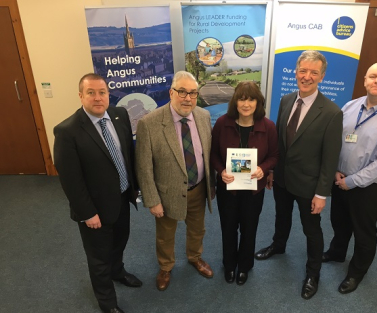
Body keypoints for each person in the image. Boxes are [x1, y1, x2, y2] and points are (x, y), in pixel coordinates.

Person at [53, 73, 141, 313]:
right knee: (98, 258)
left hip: (122, 198)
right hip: (94, 210)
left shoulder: (119, 115)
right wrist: (87, 213)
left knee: (120, 241)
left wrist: (133, 190)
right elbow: (70, 180)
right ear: (81, 96)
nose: (97, 97)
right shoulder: (67, 131)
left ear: (108, 94)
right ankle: (108, 303)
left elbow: (127, 154)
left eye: (102, 92)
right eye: (90, 92)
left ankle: (118, 271)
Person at [254, 50, 343, 299]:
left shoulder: (332, 113)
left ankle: (313, 273)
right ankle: (278, 246)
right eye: (303, 70)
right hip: (282, 178)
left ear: (322, 76)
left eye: (314, 72)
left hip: (309, 185)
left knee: (311, 230)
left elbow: (329, 158)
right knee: (282, 217)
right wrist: (271, 171)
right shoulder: (285, 100)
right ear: (295, 72)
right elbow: (279, 144)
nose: (307, 76)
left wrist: (321, 194)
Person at [323, 62, 377, 294]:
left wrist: (350, 182)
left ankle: (356, 272)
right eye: (373, 76)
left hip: (367, 187)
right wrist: (335, 170)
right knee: (339, 221)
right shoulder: (351, 106)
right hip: (339, 178)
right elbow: (335, 141)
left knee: (364, 231)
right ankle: (336, 252)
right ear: (365, 80)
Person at [135, 71, 215, 292]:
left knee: (198, 230)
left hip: (198, 189)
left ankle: (195, 257)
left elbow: (207, 154)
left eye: (192, 93)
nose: (187, 98)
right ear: (171, 92)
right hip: (166, 193)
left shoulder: (203, 117)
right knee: (165, 234)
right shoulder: (149, 124)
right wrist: (152, 200)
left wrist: (211, 185)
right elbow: (143, 166)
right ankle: (166, 266)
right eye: (182, 92)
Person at [210, 81, 278, 285]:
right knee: (228, 228)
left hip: (253, 190)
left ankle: (245, 266)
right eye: (242, 98)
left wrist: (263, 169)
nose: (246, 104)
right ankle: (229, 265)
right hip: (227, 189)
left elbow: (274, 156)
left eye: (251, 99)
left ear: (258, 102)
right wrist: (221, 171)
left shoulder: (268, 126)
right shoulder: (223, 123)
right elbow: (213, 154)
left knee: (249, 228)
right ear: (235, 102)